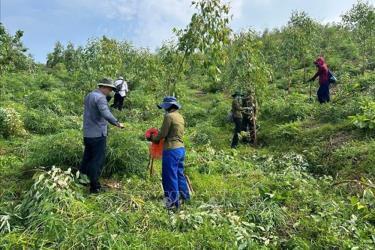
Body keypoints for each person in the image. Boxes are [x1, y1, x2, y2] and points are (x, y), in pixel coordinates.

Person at [80, 78, 124, 193]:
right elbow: (106, 113)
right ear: (104, 87)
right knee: (97, 160)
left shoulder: (90, 95)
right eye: (110, 89)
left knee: (87, 157)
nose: (110, 92)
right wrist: (117, 123)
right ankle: (95, 186)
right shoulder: (100, 98)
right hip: (98, 134)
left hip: (88, 133)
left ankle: (82, 179)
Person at [149, 96, 190, 209]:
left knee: (169, 176)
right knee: (179, 174)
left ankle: (172, 204)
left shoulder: (169, 116)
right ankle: (185, 197)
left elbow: (162, 134)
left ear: (167, 106)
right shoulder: (180, 116)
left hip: (171, 149)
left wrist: (152, 138)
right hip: (180, 149)